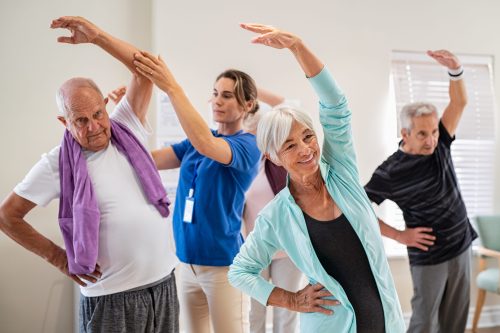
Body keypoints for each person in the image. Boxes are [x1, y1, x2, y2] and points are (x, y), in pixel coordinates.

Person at [0, 16, 179, 333]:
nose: (94, 126)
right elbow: (7, 216)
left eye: (98, 114)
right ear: (64, 121)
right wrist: (58, 258)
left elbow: (145, 67)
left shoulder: (128, 127)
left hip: (163, 285)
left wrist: (97, 37)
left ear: (106, 107)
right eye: (80, 120)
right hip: (111, 299)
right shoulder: (56, 163)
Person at [228, 23, 405, 333]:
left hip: (386, 321)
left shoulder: (342, 174)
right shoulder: (277, 215)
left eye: (308, 136)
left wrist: (297, 47)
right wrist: (291, 300)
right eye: (290, 145)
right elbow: (240, 272)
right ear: (272, 156)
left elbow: (336, 105)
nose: (306, 149)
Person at [133, 46, 261, 332]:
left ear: (248, 104)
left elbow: (206, 144)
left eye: (227, 95)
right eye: (215, 93)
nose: (217, 101)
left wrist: (171, 88)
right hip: (186, 262)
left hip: (223, 267)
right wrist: (125, 124)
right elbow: (148, 160)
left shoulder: (248, 146)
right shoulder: (197, 141)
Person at [364, 50, 476, 333]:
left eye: (434, 132)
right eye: (423, 134)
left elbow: (459, 101)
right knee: (425, 322)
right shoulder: (389, 172)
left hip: (461, 244)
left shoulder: (440, 145)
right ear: (405, 133)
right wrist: (400, 236)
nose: (431, 140)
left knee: (455, 321)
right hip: (429, 256)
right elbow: (359, 211)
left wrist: (456, 69)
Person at [242, 89, 303, 333]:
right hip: (256, 249)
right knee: (255, 310)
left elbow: (289, 102)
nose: (249, 137)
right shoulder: (245, 167)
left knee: (287, 311)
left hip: (287, 249)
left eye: (253, 132)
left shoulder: (281, 161)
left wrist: (251, 90)